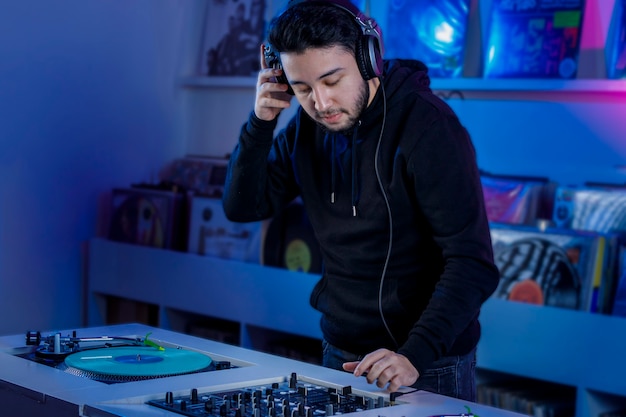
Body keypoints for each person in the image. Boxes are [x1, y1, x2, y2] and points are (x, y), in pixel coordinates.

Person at [222, 0, 500, 401]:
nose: (320, 103)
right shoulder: (306, 126)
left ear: (370, 60)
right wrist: (260, 123)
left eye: (332, 81)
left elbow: (472, 263)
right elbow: (243, 207)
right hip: (341, 354)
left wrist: (413, 356)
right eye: (302, 88)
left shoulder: (430, 129)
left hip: (425, 364)